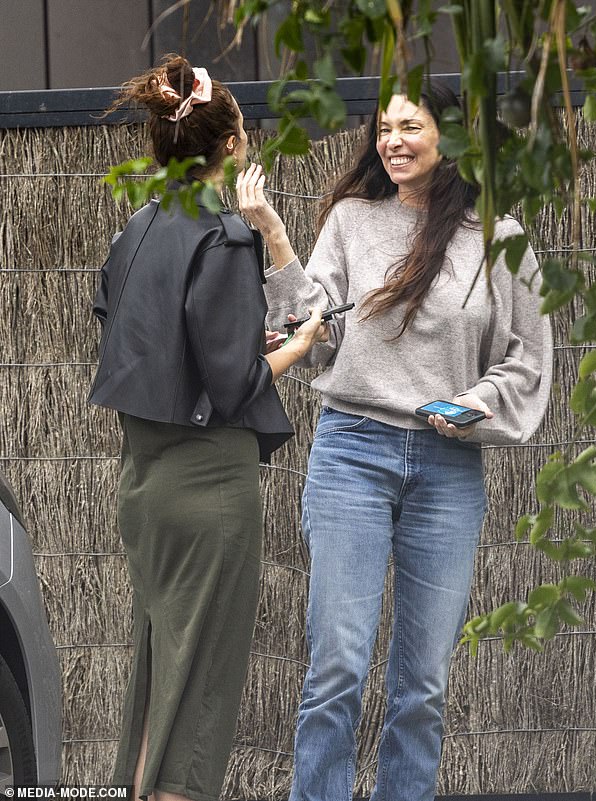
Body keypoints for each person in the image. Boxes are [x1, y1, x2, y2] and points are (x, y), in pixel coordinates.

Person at [236, 81, 553, 801]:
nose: (392, 140)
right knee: (337, 670)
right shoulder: (352, 220)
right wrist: (279, 239)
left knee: (423, 685)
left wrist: (473, 403)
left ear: (453, 139)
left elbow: (526, 359)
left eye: (411, 125)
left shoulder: (497, 238)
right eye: (383, 126)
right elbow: (314, 337)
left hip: (448, 471)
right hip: (353, 453)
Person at [88, 54, 328, 801]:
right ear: (231, 146)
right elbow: (233, 381)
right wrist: (299, 343)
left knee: (160, 677)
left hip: (145, 485)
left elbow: (123, 327)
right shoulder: (224, 235)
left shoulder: (136, 227)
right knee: (199, 705)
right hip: (210, 488)